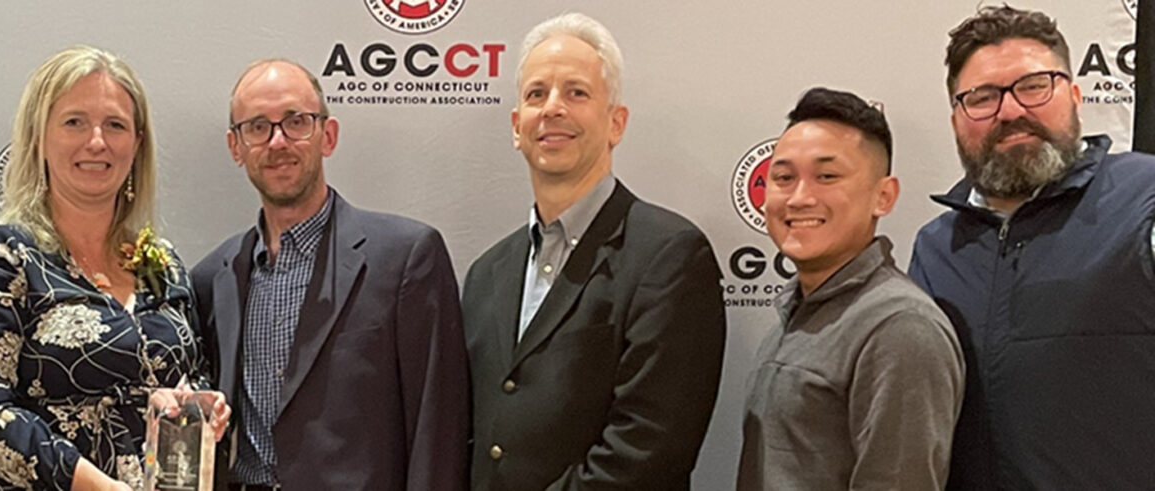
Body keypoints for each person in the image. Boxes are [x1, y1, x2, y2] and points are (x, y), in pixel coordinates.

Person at [0, 45, 229, 491]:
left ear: (137, 144)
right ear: (39, 137)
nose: (97, 141)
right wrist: (96, 486)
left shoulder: (160, 262)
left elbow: (189, 373)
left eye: (115, 125)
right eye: (74, 122)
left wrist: (196, 409)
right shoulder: (2, 256)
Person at [463, 12, 726, 490]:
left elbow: (649, 450)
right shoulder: (487, 272)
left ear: (616, 123)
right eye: (536, 94)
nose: (553, 108)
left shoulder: (670, 257)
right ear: (517, 127)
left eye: (577, 93)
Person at [192, 58, 469, 491]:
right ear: (236, 146)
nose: (278, 141)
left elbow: (438, 430)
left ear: (328, 135)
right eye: (258, 127)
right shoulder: (212, 279)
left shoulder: (406, 258)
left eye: (296, 122)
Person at [910, 6, 1155, 489]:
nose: (1011, 111)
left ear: (1075, 95)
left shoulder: (1145, 199)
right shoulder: (935, 248)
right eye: (982, 97)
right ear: (956, 119)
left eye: (1034, 86)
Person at [736, 87, 963, 490]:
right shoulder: (797, 310)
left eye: (827, 176)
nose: (799, 198)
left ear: (883, 196)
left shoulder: (899, 328)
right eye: (784, 178)